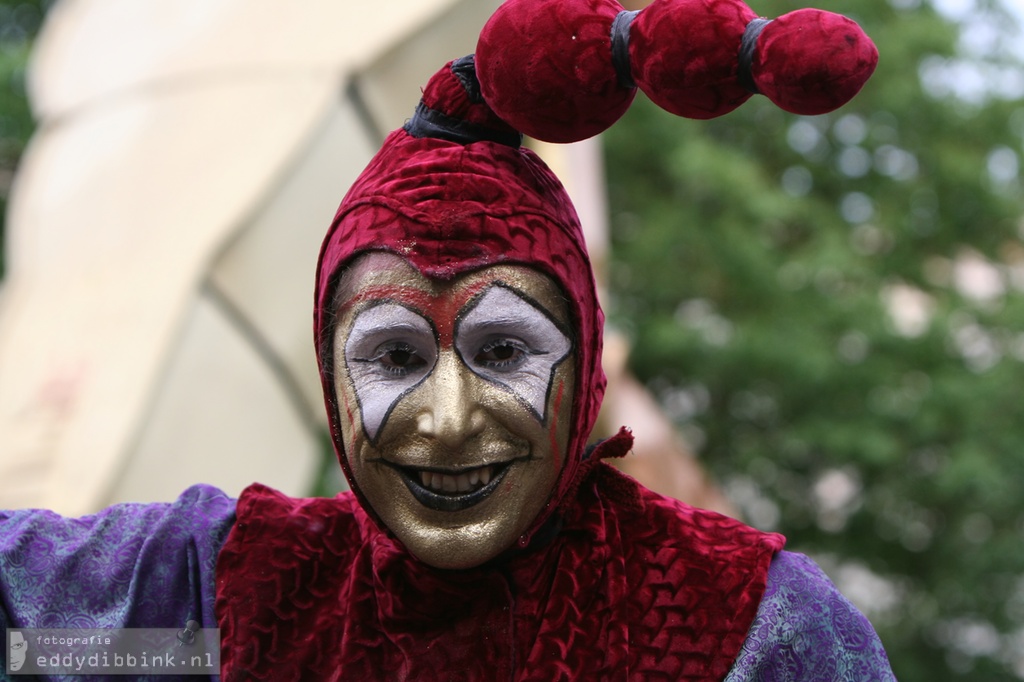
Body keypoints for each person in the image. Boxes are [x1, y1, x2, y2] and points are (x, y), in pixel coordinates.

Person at [2, 0, 894, 679]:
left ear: (584, 366)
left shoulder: (749, 629)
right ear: (330, 371)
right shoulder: (229, 604)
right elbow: (40, 640)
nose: (449, 418)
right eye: (392, 356)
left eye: (504, 350)